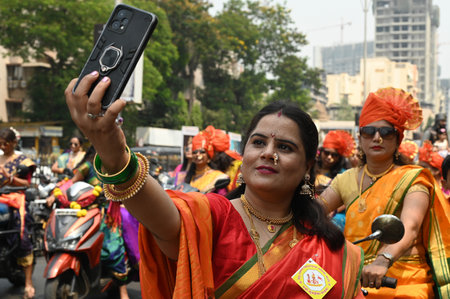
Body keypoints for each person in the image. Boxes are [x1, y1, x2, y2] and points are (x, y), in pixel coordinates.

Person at [65, 73, 364, 298]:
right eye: (258, 142)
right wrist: (114, 154)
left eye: (285, 147)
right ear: (244, 154)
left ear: (307, 166)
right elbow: (156, 213)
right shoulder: (211, 217)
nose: (268, 152)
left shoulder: (333, 251)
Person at [320, 87, 450, 297]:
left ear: (398, 139)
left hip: (405, 281)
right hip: (353, 276)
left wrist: (383, 260)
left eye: (386, 132)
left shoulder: (414, 178)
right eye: (369, 131)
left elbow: (411, 226)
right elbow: (314, 213)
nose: (377, 138)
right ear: (360, 137)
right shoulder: (346, 179)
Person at [47, 146, 133, 299]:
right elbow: (70, 183)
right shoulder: (87, 166)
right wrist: (55, 194)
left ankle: (123, 291)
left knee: (113, 247)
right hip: (85, 212)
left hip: (109, 214)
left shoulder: (118, 167)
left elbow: (128, 188)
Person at [0, 128, 36, 298]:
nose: (2, 146)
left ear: (13, 142)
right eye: (0, 143)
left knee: (21, 234)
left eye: (5, 143)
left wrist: (10, 177)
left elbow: (27, 184)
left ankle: (28, 284)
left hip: (15, 199)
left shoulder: (23, 160)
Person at [315, 130, 355, 231]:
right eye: (327, 153)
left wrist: (332, 211)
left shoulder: (344, 174)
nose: (329, 157)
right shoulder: (311, 168)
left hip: (335, 212)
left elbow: (347, 199)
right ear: (321, 152)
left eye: (334, 155)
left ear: (339, 158)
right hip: (312, 207)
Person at [182, 130, 230, 194]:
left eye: (202, 152)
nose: (197, 155)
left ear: (208, 159)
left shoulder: (217, 177)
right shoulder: (188, 176)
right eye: (195, 152)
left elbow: (222, 198)